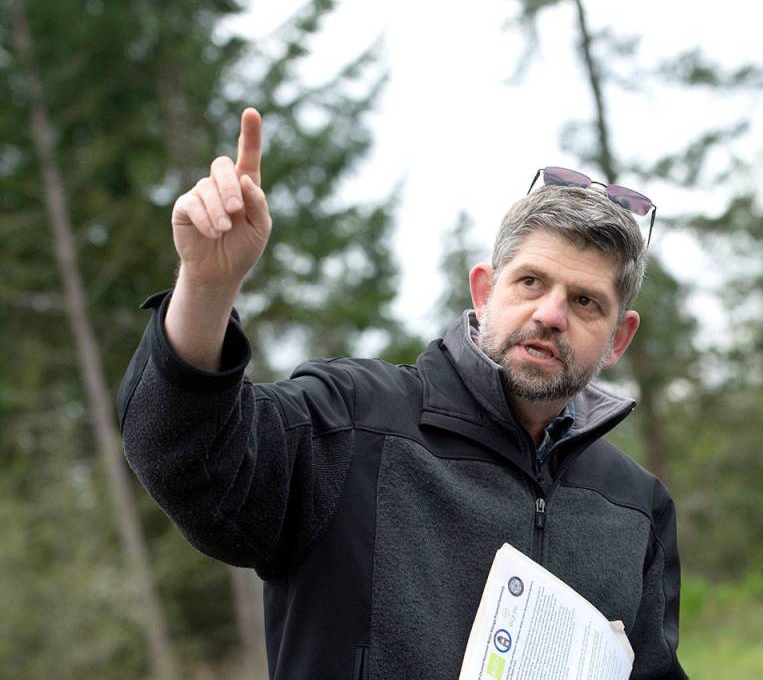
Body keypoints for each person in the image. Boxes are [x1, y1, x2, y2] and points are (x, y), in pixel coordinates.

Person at [118, 108, 688, 679]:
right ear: (485, 292)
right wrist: (208, 286)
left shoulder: (637, 507)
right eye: (531, 282)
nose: (550, 314)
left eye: (586, 302)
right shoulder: (347, 423)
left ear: (619, 338)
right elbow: (185, 455)